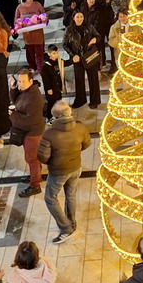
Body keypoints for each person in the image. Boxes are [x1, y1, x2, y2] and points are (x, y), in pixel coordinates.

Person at [37, 100, 90, 243]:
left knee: (50, 198)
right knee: (70, 195)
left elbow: (42, 157)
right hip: (76, 167)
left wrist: (53, 162)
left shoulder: (50, 134)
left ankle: (66, 228)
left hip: (59, 171)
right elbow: (86, 144)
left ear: (56, 116)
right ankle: (72, 223)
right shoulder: (80, 127)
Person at [9, 68, 47, 198]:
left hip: (33, 131)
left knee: (32, 159)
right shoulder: (26, 91)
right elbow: (16, 101)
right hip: (28, 130)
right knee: (33, 158)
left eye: (23, 81)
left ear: (31, 80)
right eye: (19, 81)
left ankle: (35, 185)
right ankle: (35, 177)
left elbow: (30, 120)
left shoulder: (34, 98)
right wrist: (13, 88)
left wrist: (13, 115)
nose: (20, 84)